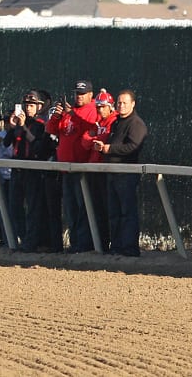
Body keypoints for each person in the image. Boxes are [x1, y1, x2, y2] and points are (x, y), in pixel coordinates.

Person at [92, 89, 147, 257]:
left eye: (124, 103)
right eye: (119, 103)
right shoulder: (116, 122)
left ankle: (129, 248)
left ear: (133, 104)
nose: (121, 106)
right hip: (112, 173)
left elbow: (133, 147)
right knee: (114, 213)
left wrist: (110, 149)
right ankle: (116, 246)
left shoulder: (136, 123)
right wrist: (103, 148)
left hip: (126, 174)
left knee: (127, 213)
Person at [46, 79, 98, 253]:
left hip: (82, 168)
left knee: (83, 207)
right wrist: (57, 116)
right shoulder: (71, 111)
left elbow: (90, 127)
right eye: (77, 93)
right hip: (66, 168)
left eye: (82, 94)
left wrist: (72, 114)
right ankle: (76, 243)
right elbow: (51, 130)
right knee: (71, 208)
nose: (79, 97)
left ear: (91, 95)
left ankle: (84, 244)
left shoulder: (91, 110)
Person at [6, 91, 56, 252]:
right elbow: (7, 142)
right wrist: (13, 127)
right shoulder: (21, 123)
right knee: (14, 208)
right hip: (17, 170)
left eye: (32, 105)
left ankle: (31, 242)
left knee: (33, 209)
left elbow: (39, 148)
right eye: (27, 105)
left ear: (40, 106)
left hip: (32, 171)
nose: (28, 108)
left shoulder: (41, 125)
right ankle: (23, 238)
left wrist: (24, 129)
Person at [79, 88, 117, 251]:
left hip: (107, 172)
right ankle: (100, 244)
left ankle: (111, 244)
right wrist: (95, 138)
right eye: (98, 107)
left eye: (103, 106)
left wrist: (95, 138)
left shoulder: (114, 121)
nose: (100, 109)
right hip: (95, 170)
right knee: (97, 210)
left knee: (110, 210)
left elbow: (100, 140)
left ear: (110, 107)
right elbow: (85, 142)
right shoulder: (99, 123)